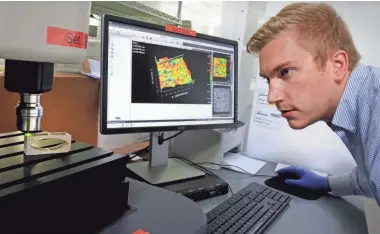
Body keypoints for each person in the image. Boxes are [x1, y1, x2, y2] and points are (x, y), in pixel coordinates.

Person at [246, 2, 380, 204]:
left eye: (285, 72)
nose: (272, 98)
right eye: (267, 79)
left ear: (338, 65)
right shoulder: (365, 104)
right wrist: (325, 183)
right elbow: (371, 178)